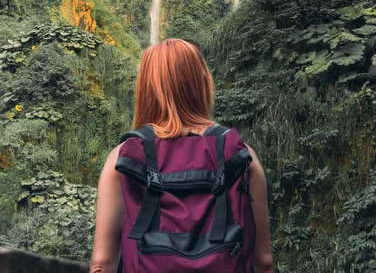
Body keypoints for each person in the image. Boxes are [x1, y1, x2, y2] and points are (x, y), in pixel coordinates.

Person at [90, 38, 274, 273]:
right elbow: (264, 263)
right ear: (202, 83)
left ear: (145, 88)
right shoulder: (241, 154)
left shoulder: (123, 157)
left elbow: (102, 264)